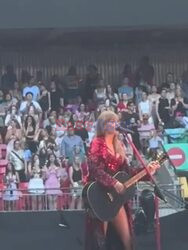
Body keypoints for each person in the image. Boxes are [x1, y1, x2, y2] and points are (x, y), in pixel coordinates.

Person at [85, 111, 159, 250]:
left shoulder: (119, 145)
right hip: (101, 194)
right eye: (110, 121)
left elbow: (128, 174)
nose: (114, 124)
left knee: (127, 240)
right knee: (99, 239)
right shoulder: (96, 143)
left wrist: (147, 171)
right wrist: (113, 182)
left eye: (115, 121)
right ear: (103, 125)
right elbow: (94, 169)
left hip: (116, 198)